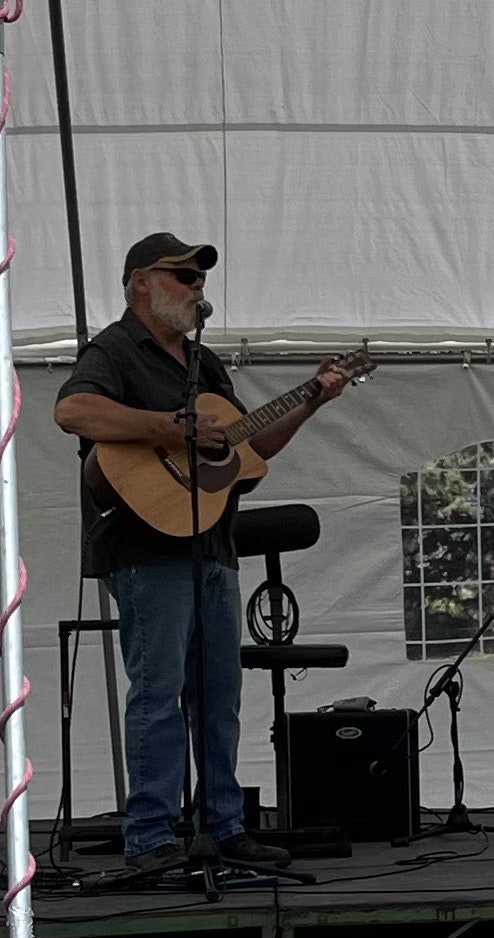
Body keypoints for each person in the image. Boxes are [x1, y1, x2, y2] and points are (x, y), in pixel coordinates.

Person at [54, 232, 348, 871]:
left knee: (219, 695)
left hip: (212, 547)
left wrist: (313, 399)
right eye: (183, 276)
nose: (197, 288)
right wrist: (169, 426)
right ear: (140, 282)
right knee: (158, 694)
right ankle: (152, 838)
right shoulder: (115, 349)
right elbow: (73, 410)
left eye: (200, 280)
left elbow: (249, 448)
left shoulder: (205, 365)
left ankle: (224, 824)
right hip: (144, 545)